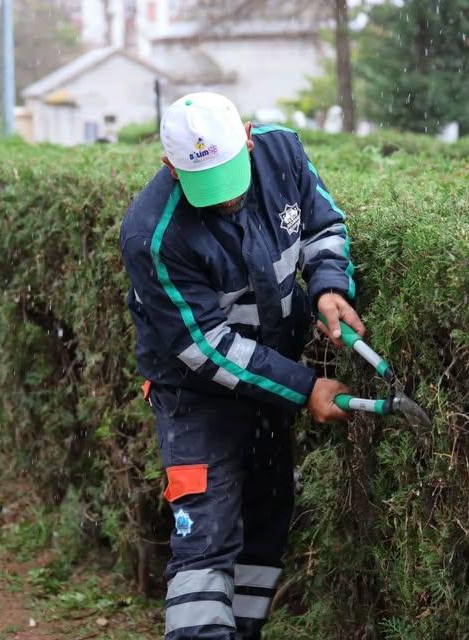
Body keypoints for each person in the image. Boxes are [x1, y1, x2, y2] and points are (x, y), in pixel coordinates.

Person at [119, 92, 365, 640]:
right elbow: (206, 347)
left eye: (231, 177)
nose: (226, 200)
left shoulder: (283, 154)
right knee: (205, 536)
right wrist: (305, 387)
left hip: (269, 387)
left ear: (248, 138)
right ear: (169, 166)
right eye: (206, 185)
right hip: (194, 400)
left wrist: (328, 288)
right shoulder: (152, 234)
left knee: (265, 523)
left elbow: (323, 228)